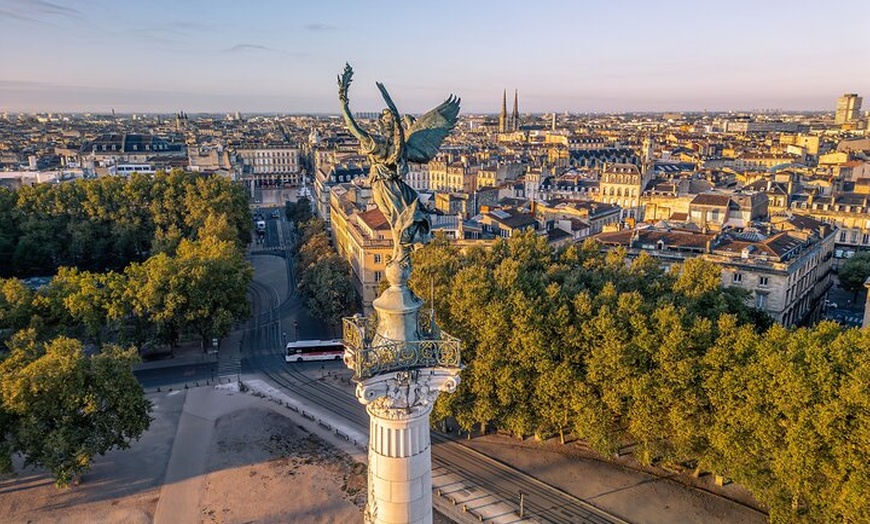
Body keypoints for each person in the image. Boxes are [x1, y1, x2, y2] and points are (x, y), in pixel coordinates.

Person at [338, 64, 429, 266]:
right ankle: (401, 253)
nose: (388, 122)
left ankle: (401, 254)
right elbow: (354, 128)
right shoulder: (386, 144)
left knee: (397, 222)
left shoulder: (386, 145)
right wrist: (344, 108)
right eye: (386, 119)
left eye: (390, 119)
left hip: (388, 186)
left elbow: (354, 129)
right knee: (396, 221)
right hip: (385, 185)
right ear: (381, 122)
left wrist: (344, 105)